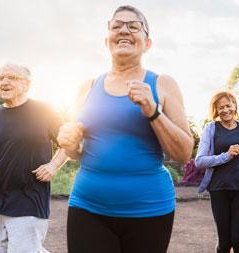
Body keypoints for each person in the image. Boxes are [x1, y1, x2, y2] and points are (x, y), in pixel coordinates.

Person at [56, 5, 193, 253]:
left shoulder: (162, 83)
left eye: (134, 26)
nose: (124, 30)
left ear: (147, 43)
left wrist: (153, 111)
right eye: (116, 25)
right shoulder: (87, 86)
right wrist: (70, 144)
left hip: (149, 210)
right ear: (106, 39)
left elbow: (183, 153)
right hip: (88, 206)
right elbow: (77, 151)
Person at [0, 63, 68, 253]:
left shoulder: (43, 110)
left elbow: (69, 144)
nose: (4, 82)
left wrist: (53, 165)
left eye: (12, 78)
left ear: (27, 84)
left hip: (29, 198)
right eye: (0, 79)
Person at [195, 91, 239, 253]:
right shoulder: (211, 129)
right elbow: (199, 161)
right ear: (216, 110)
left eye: (228, 105)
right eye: (221, 107)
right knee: (224, 243)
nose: (225, 110)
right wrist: (226, 156)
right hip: (219, 189)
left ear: (235, 106)